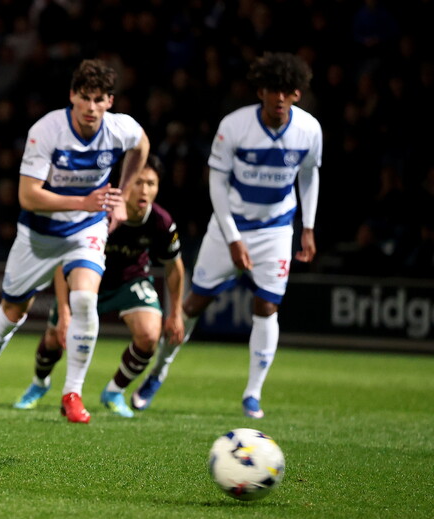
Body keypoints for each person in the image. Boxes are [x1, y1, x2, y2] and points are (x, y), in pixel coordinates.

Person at [133, 51, 322, 419]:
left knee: (267, 306)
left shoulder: (309, 130)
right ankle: (158, 373)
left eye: (287, 91)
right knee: (193, 305)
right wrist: (234, 238)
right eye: (273, 90)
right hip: (227, 227)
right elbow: (216, 183)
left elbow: (309, 176)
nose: (280, 98)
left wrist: (308, 228)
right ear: (261, 92)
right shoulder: (234, 126)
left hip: (276, 231)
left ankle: (253, 394)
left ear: (297, 94)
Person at [0, 59, 150, 423]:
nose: (91, 107)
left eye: (99, 99)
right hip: (39, 236)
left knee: (84, 299)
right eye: (85, 98)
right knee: (12, 313)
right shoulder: (46, 131)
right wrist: (85, 200)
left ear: (110, 101)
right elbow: (28, 196)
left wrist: (123, 197)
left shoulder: (121, 128)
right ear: (72, 96)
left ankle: (72, 393)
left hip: (86, 230)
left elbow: (141, 147)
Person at [13, 155, 185, 417]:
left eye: (151, 183)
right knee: (53, 339)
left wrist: (175, 313)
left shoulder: (160, 221)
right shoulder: (99, 213)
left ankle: (115, 391)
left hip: (130, 281)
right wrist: (64, 310)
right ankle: (39, 384)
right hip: (85, 280)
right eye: (138, 182)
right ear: (125, 184)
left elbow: (175, 267)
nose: (145, 190)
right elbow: (62, 262)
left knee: (150, 335)